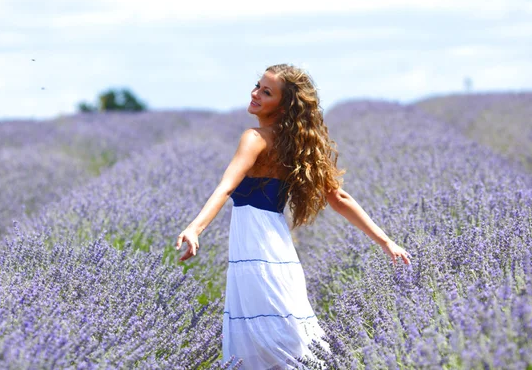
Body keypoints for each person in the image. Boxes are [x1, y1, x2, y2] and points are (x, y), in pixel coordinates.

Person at [175, 63, 411, 369]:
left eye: (266, 91)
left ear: (283, 105)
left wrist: (196, 228)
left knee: (267, 337)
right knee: (287, 332)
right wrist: (385, 241)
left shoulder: (254, 138)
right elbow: (339, 198)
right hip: (277, 246)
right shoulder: (297, 145)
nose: (255, 94)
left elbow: (225, 187)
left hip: (256, 249)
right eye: (257, 86)